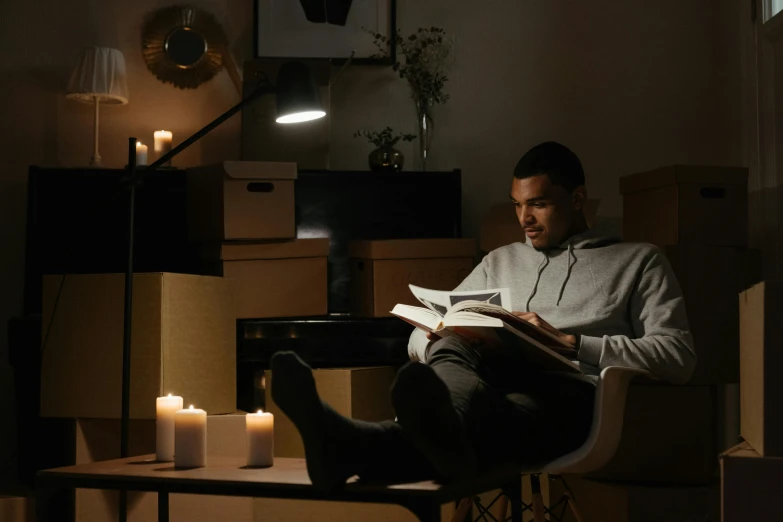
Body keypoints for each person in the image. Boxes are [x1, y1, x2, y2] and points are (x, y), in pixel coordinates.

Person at [270, 141, 696, 490]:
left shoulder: (639, 261)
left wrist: (571, 342)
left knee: (479, 427)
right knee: (452, 345)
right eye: (516, 205)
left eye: (539, 204)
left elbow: (678, 356)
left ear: (578, 199)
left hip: (567, 394)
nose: (524, 220)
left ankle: (346, 442)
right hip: (485, 386)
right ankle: (424, 431)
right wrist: (436, 335)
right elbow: (426, 337)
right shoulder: (500, 260)